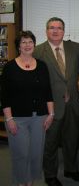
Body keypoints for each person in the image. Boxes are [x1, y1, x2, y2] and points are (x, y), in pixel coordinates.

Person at [33, 17, 79, 186]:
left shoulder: (76, 48)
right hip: (51, 106)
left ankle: (71, 169)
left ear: (64, 31)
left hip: (73, 103)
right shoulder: (37, 51)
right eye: (51, 28)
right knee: (50, 142)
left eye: (59, 28)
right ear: (46, 31)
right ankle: (50, 175)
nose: (55, 31)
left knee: (72, 139)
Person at [1, 30, 54, 186]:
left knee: (36, 153)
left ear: (34, 45)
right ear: (18, 46)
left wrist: (51, 114)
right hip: (17, 118)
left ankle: (29, 181)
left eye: (30, 41)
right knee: (21, 154)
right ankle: (21, 182)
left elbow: (48, 92)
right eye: (23, 42)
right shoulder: (10, 67)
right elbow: (5, 96)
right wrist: (9, 119)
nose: (27, 45)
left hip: (40, 118)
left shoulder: (42, 66)